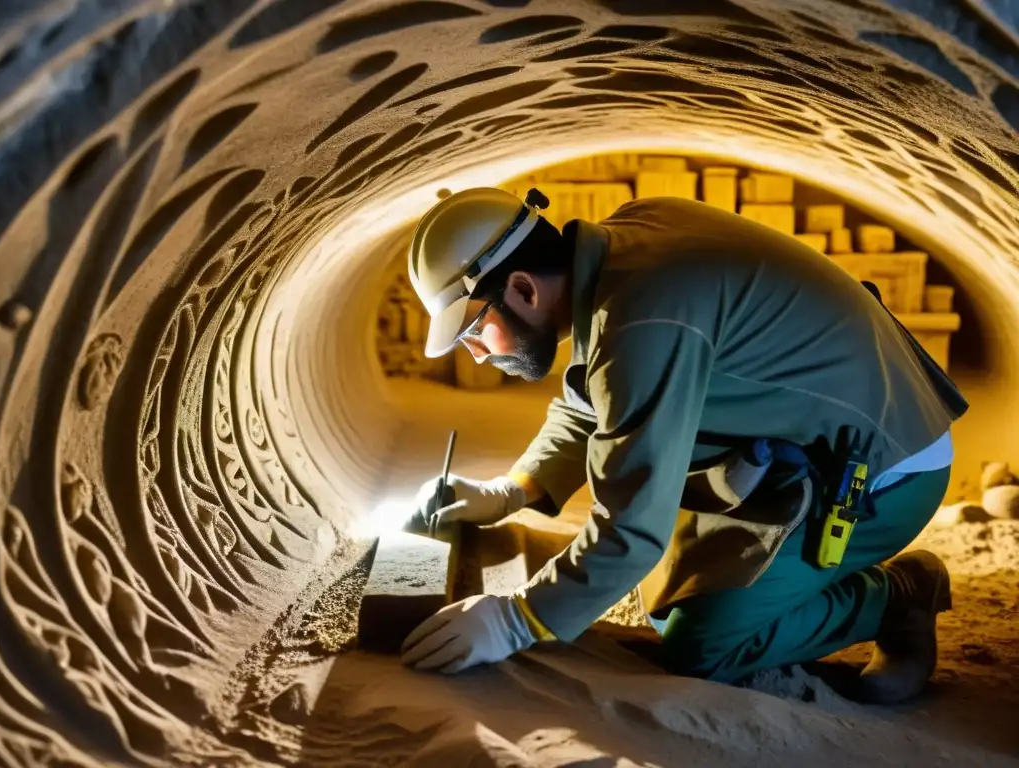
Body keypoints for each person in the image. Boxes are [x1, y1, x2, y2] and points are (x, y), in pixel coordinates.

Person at [397, 185, 968, 704]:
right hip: (802, 444)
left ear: (521, 287)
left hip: (883, 470)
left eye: (474, 330)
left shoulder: (643, 319)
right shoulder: (627, 247)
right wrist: (508, 491)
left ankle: (898, 596)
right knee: (671, 598)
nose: (477, 353)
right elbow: (590, 400)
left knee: (702, 647)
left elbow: (630, 528)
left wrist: (516, 620)